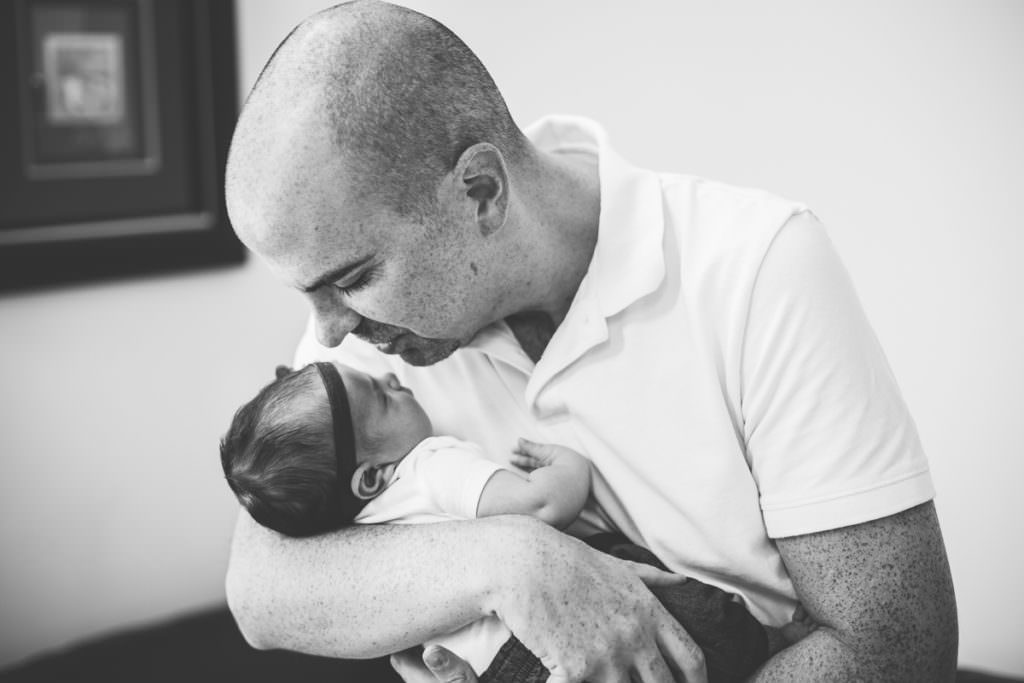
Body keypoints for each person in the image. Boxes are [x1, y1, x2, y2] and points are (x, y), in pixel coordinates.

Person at [222, 1, 958, 681]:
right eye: (309, 293)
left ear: (480, 193)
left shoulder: (760, 266)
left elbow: (896, 649)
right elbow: (261, 589)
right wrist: (514, 561)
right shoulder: (374, 343)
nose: (328, 331)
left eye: (351, 279)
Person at [219, 361, 802, 682]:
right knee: (694, 615)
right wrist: (567, 466)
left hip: (499, 671)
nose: (393, 379)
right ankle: (776, 641)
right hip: (550, 631)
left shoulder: (355, 535)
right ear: (370, 477)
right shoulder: (428, 466)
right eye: (382, 396)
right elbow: (540, 507)